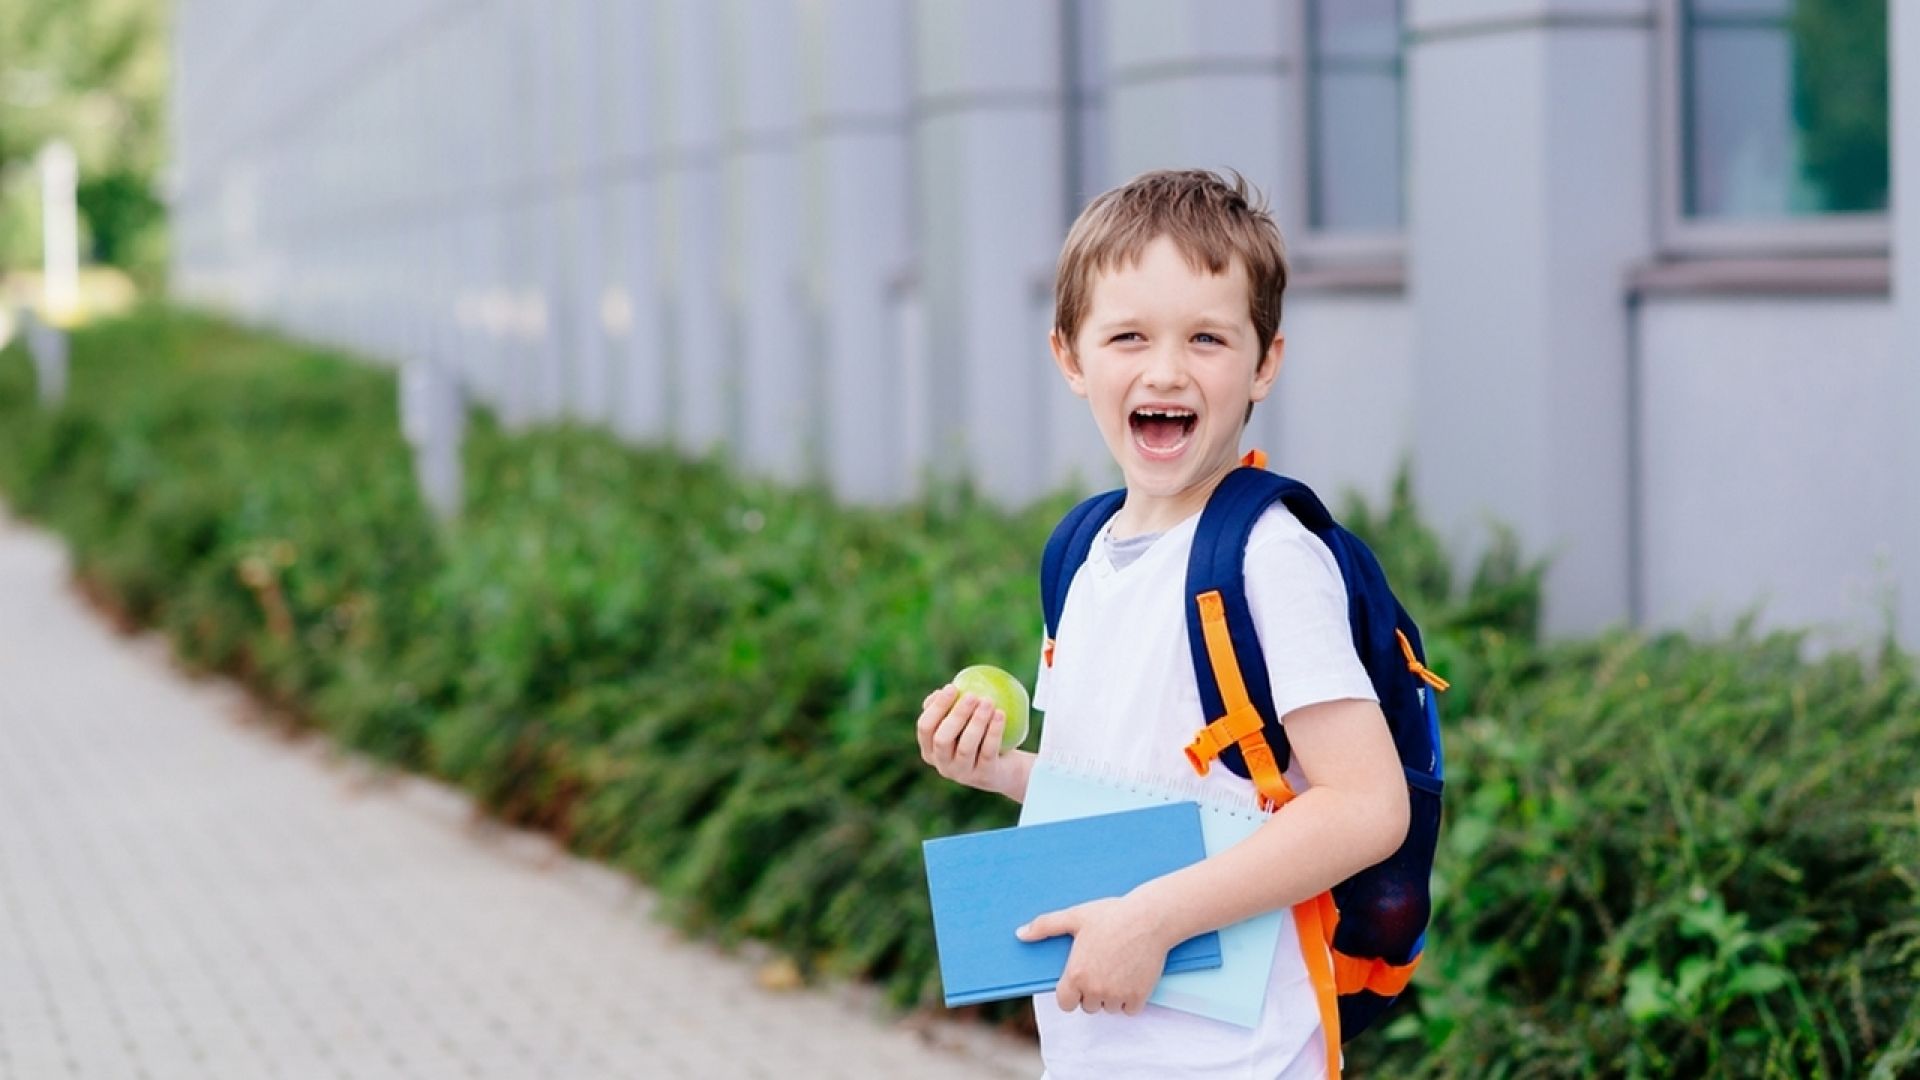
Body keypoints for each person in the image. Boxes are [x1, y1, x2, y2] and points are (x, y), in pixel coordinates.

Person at [914, 169, 1410, 1079]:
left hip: (1239, 1055)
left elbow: (1369, 807)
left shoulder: (1267, 558)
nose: (1167, 369)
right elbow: (1124, 794)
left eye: (1208, 338)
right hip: (1103, 1042)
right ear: (1071, 356)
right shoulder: (1082, 552)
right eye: (1129, 336)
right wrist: (994, 770)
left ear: (1265, 360)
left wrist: (1154, 919)